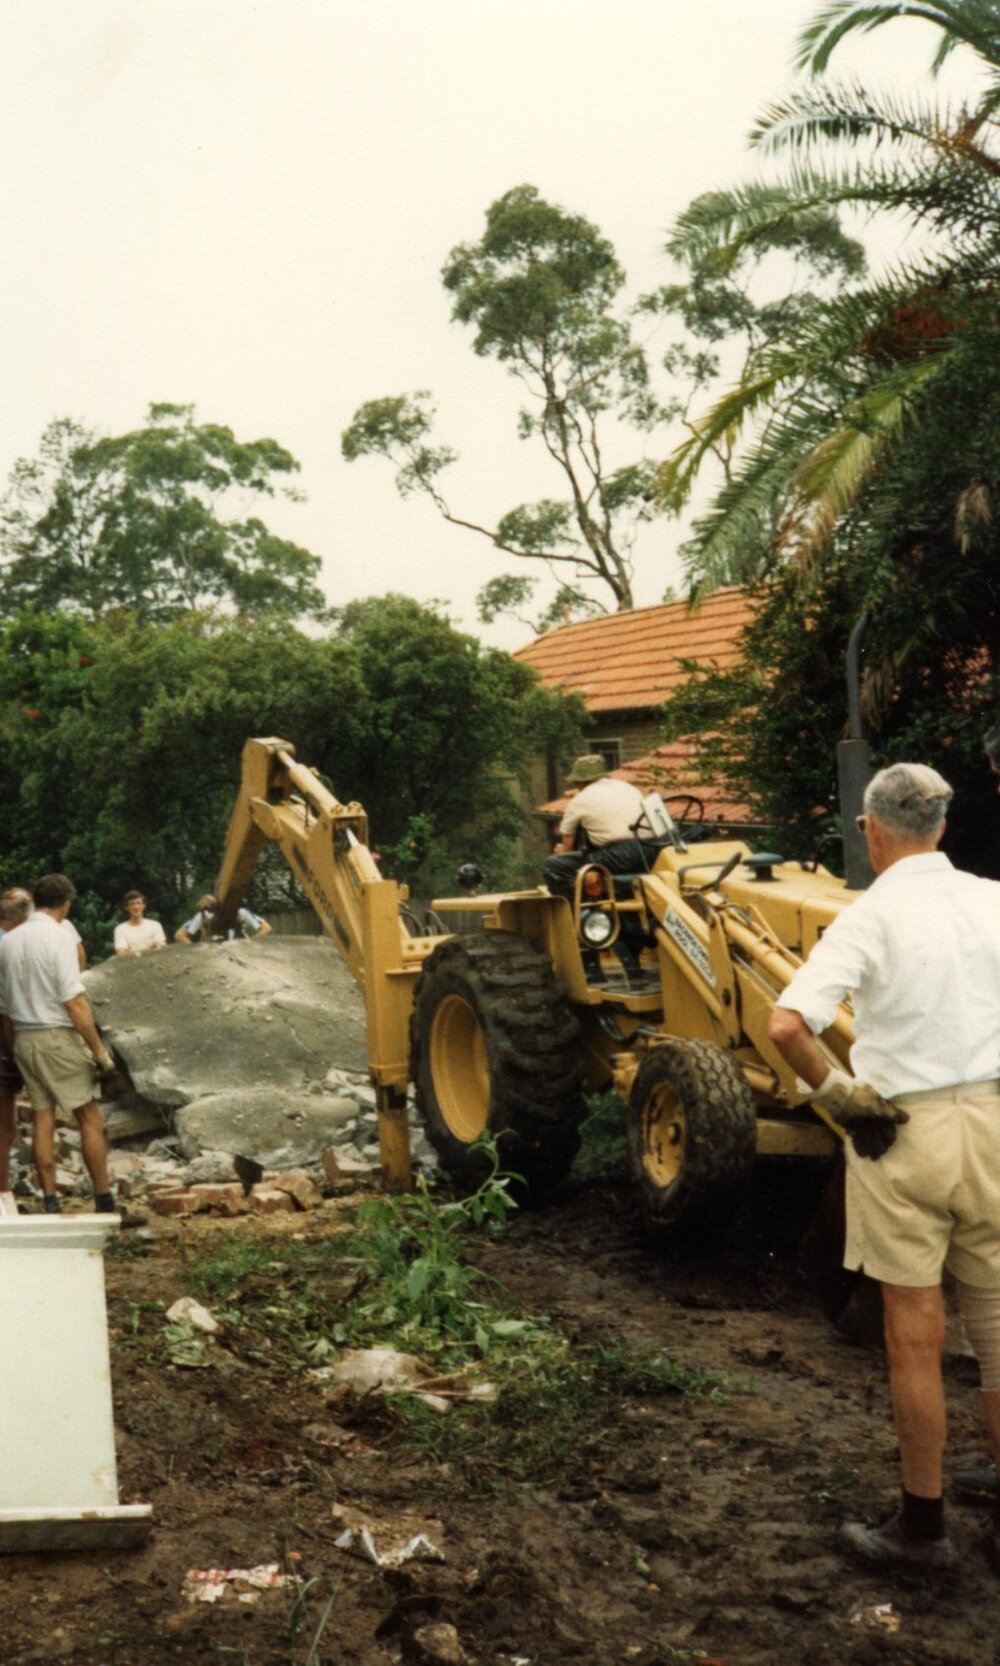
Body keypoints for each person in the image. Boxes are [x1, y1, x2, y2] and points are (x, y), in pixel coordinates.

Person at [768, 762, 1000, 1573]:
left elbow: (787, 1024)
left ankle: (922, 1529)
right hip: (996, 1125)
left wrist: (841, 1098)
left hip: (905, 1134)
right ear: (942, 825)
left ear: (871, 832)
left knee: (914, 1336)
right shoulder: (993, 900)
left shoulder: (870, 917)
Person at [0, 873, 119, 1214]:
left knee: (43, 1118)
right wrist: (99, 1051)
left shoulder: (8, 941)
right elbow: (73, 1001)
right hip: (56, 1036)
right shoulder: (60, 937)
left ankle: (50, 1201)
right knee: (90, 1118)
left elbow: (4, 1010)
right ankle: (103, 1200)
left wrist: (12, 1051)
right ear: (66, 903)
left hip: (24, 1038)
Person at [542, 754, 661, 899]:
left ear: (580, 782)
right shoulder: (628, 787)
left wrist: (561, 851)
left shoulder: (579, 800)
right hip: (653, 849)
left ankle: (584, 911)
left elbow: (567, 847)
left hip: (620, 855)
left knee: (554, 865)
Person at [0, 889, 31, 1194]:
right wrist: (12, 1050)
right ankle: (2, 1193)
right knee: (4, 1124)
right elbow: (5, 1008)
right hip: (2, 1035)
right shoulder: (6, 945)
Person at [174, 892, 272, 944]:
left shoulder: (240, 912)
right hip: (210, 955)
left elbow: (265, 928)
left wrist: (250, 944)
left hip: (237, 951)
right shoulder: (203, 915)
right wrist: (195, 950)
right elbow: (180, 935)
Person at [114, 890, 167, 957]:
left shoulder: (155, 925)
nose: (136, 907)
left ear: (144, 906)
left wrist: (131, 952)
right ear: (127, 907)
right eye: (132, 904)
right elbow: (122, 954)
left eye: (138, 903)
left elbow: (161, 948)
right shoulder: (120, 929)